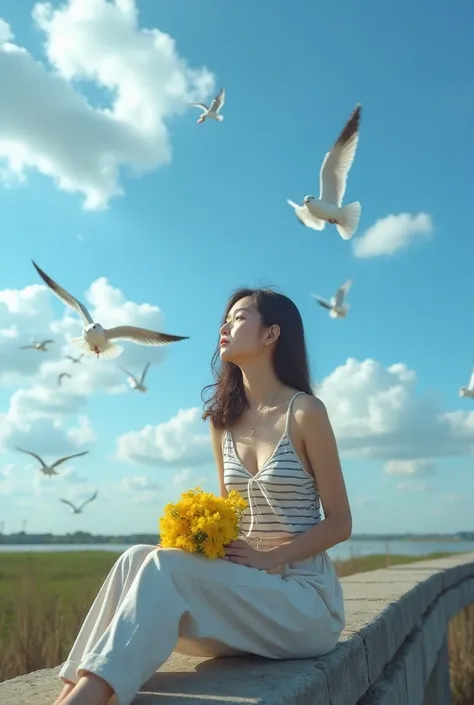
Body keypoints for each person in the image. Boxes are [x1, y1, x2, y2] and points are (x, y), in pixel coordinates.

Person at [53, 287, 351, 705]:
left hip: (304, 603)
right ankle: (71, 693)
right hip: (244, 593)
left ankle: (81, 700)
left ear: (271, 335)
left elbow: (341, 522)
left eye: (241, 317)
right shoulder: (222, 422)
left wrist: (270, 557)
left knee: (159, 567)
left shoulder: (305, 412)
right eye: (225, 319)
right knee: (136, 558)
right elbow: (230, 516)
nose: (225, 326)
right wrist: (195, 540)